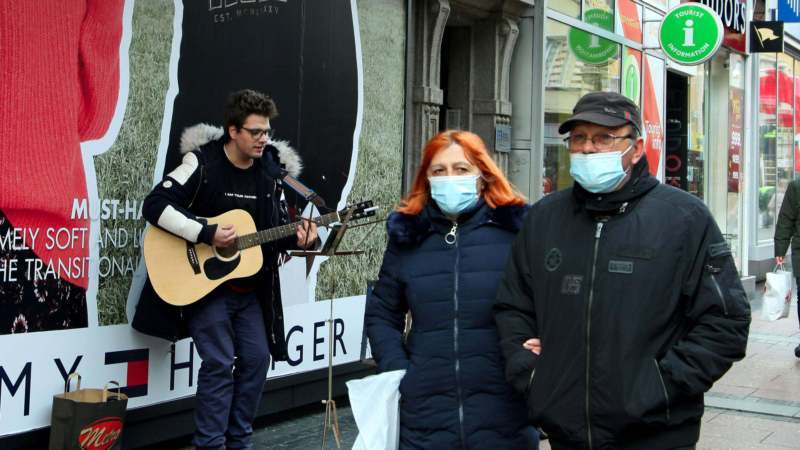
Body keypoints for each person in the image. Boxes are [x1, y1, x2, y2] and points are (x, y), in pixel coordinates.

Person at [494, 92, 750, 449]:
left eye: (603, 137)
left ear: (637, 148)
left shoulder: (684, 219)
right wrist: (530, 371)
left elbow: (726, 321)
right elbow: (513, 306)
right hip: (567, 432)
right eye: (579, 138)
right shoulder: (543, 218)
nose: (588, 149)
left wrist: (662, 384)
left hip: (658, 432)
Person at [134, 89, 317, 450]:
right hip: (205, 287)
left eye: (266, 131)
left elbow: (274, 235)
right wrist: (206, 232)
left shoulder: (269, 176)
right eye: (255, 132)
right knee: (218, 362)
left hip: (248, 291)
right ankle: (211, 445)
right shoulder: (202, 163)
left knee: (256, 359)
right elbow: (155, 204)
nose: (263, 139)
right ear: (233, 131)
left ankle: (239, 442)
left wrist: (302, 239)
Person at [365, 130, 539, 449]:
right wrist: (401, 373)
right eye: (439, 170)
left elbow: (546, 304)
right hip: (424, 417)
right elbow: (382, 313)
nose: (450, 177)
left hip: (504, 414)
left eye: (461, 169)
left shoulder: (516, 232)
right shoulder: (408, 236)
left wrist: (530, 360)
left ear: (482, 175)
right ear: (426, 178)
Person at [773, 178, 800, 358]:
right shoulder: (797, 186)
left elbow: (786, 219)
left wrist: (781, 248)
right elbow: (786, 218)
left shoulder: (796, 185)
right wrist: (780, 248)